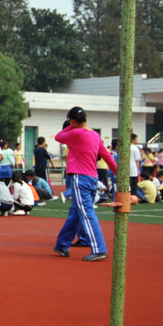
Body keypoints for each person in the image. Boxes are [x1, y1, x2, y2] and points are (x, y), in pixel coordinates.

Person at [53, 107, 117, 261]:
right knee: (76, 211)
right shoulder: (95, 135)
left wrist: (70, 125)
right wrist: (118, 172)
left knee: (86, 213)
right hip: (92, 178)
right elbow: (107, 157)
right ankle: (62, 244)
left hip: (79, 177)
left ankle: (99, 249)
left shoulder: (75, 133)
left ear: (73, 121)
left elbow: (58, 137)